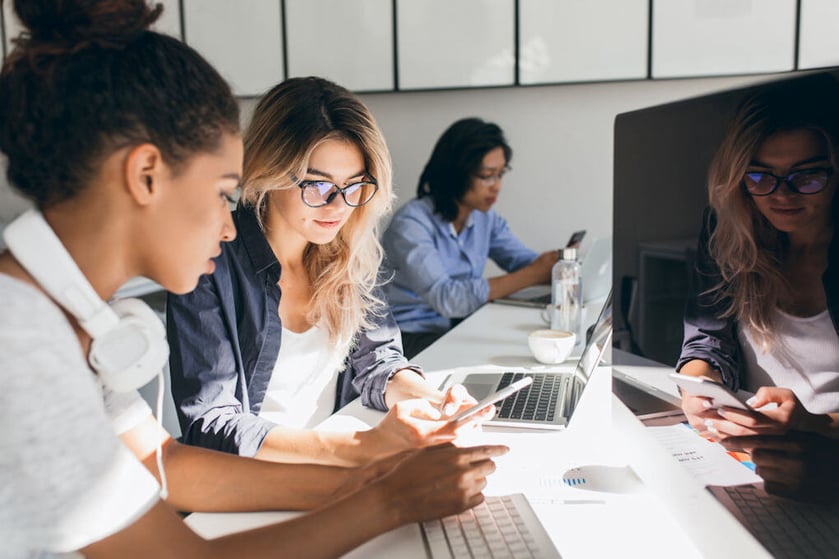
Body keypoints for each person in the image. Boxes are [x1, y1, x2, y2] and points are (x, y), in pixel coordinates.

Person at [0, 2, 507, 557]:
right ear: (146, 174)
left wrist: (366, 479)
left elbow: (167, 466)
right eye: (223, 192)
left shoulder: (64, 319)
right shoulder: (19, 342)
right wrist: (386, 501)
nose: (228, 225)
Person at [167, 76, 486, 466]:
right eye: (318, 186)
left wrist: (436, 401)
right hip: (255, 480)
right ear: (269, 171)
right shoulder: (209, 263)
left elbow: (378, 362)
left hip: (340, 465)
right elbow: (211, 422)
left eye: (355, 186)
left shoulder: (350, 254)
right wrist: (355, 450)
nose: (338, 206)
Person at [675, 76, 839, 498]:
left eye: (807, 176)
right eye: (760, 176)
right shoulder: (730, 231)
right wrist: (699, 389)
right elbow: (706, 341)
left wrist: (818, 427)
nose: (781, 195)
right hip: (748, 461)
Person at [382, 118, 558, 358]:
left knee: (518, 345)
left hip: (454, 326)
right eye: (487, 176)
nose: (496, 186)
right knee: (499, 354)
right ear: (457, 174)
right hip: (404, 338)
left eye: (500, 174)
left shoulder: (485, 218)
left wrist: (559, 266)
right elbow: (446, 298)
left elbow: (523, 262)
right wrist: (535, 274)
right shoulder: (411, 224)